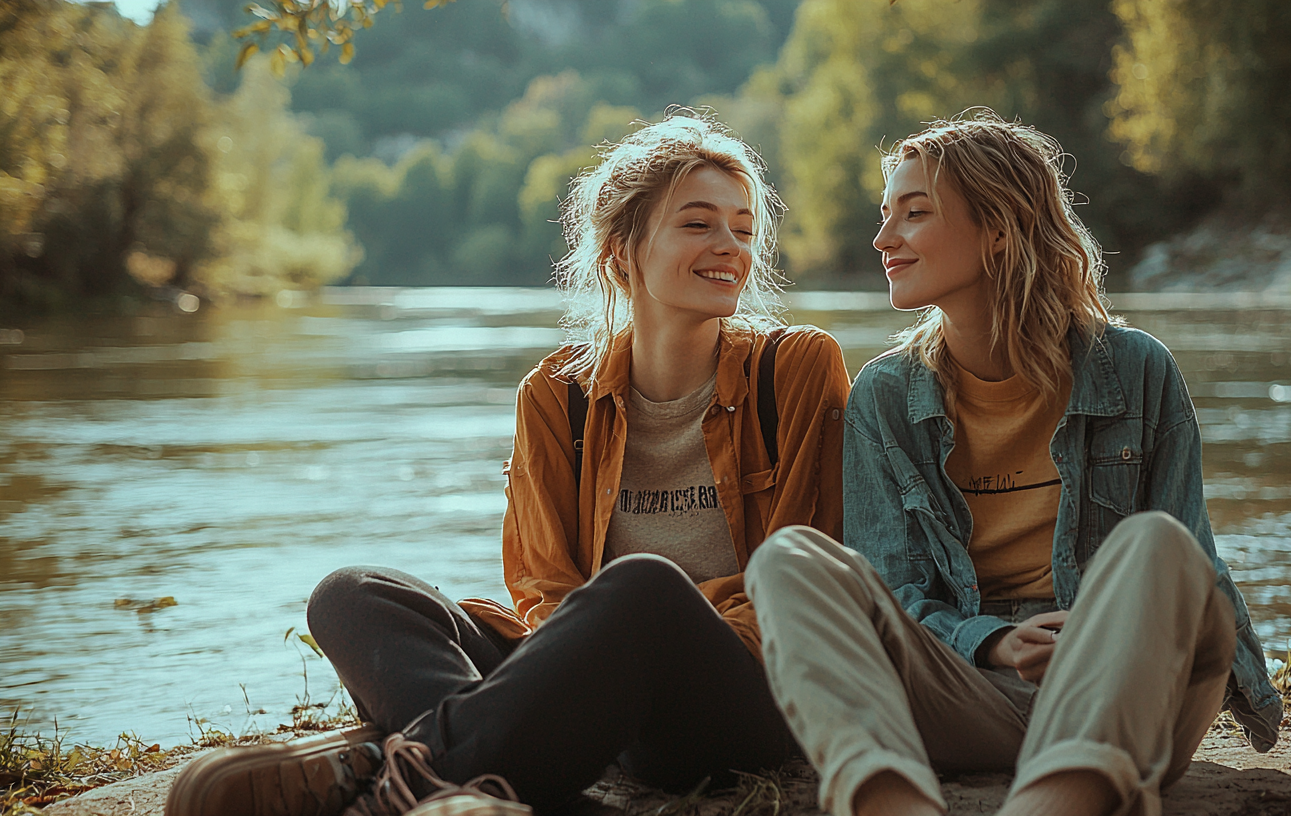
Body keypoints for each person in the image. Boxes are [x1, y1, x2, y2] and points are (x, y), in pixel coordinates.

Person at [165, 112, 850, 816]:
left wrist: (634, 630)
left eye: (743, 227)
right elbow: (545, 588)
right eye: (699, 223)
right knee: (354, 593)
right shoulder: (557, 396)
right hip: (595, 688)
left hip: (747, 694)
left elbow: (799, 589)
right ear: (622, 252)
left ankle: (398, 769)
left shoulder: (795, 367)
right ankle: (482, 776)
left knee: (642, 590)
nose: (730, 246)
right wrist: (586, 651)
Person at [744, 109, 1282, 816]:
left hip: (1129, 690)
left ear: (997, 228)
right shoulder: (884, 394)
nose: (883, 239)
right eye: (885, 215)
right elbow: (895, 589)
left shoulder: (1137, 370)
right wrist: (993, 642)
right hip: (973, 691)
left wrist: (1094, 638)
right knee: (789, 560)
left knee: (1157, 544)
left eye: (914, 212)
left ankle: (1058, 799)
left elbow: (1189, 570)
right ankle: (887, 802)